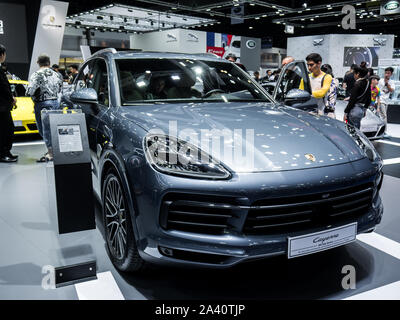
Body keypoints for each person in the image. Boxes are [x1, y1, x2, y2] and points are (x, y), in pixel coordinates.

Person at [27, 54, 63, 162]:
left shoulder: (36, 74)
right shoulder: (57, 74)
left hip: (42, 104)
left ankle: (51, 154)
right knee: (54, 128)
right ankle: (54, 151)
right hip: (56, 103)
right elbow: (61, 89)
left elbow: (30, 91)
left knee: (45, 130)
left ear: (38, 62)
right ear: (49, 62)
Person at [0, 44, 18, 163]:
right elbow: (3, 87)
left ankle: (5, 153)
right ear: (2, 55)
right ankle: (4, 154)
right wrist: (11, 98)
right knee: (6, 130)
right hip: (2, 106)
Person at [377, 67, 395, 138]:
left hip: (386, 101)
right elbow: (377, 90)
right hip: (380, 100)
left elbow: (391, 90)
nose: (386, 74)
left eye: (388, 73)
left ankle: (381, 131)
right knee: (384, 116)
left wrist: (387, 84)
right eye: (386, 73)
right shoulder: (380, 81)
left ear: (391, 74)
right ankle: (384, 132)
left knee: (382, 116)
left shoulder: (391, 82)